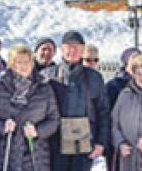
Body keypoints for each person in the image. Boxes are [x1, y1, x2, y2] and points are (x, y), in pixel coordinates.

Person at [41, 30, 110, 171]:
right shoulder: (47, 76)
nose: (72, 50)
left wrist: (101, 142)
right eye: (68, 46)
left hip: (84, 143)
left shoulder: (94, 77)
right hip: (54, 143)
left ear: (83, 50)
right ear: (61, 49)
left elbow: (103, 112)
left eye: (76, 47)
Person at [0, 44, 60, 171]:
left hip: (35, 156)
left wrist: (38, 131)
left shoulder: (44, 87)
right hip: (6, 154)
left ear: (32, 62)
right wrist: (2, 127)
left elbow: (54, 119)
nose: (23, 66)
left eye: (26, 61)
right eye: (18, 62)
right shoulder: (0, 86)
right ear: (12, 64)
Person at [106, 47, 141, 117]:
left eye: (140, 58)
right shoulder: (113, 86)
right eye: (134, 57)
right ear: (126, 61)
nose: (138, 60)